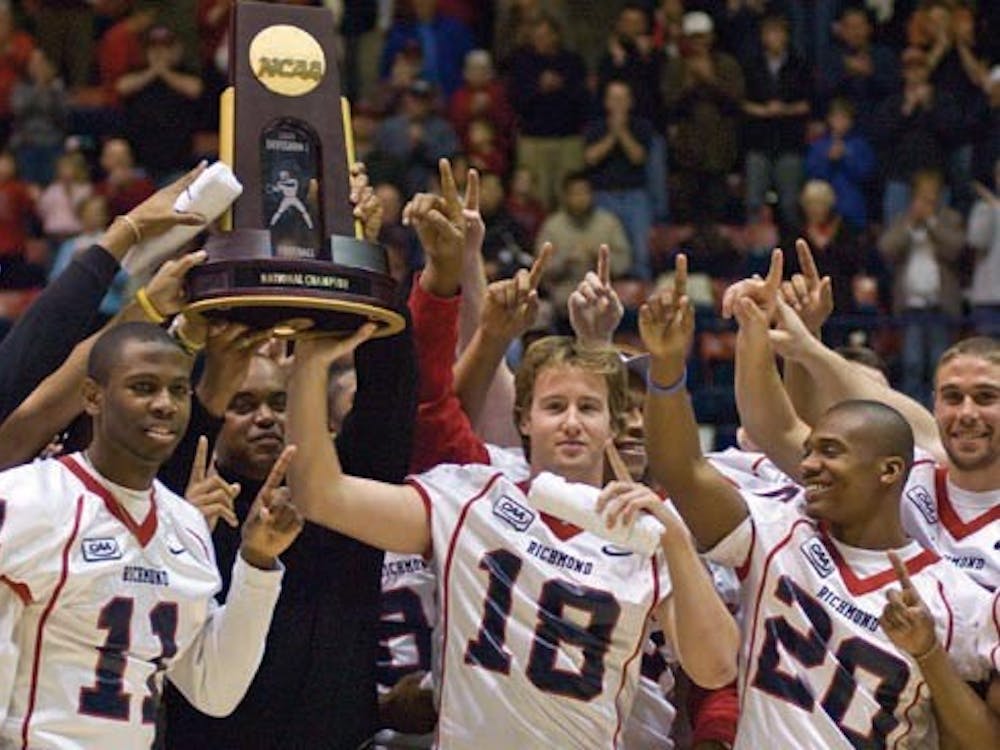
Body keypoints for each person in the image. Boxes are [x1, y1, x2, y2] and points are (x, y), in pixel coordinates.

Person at [284, 159, 739, 747]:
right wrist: (309, 365)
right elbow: (320, 493)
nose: (572, 423)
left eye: (589, 408)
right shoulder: (470, 494)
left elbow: (716, 669)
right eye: (555, 407)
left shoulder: (646, 531)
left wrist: (675, 538)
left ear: (613, 423)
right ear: (524, 419)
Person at [634, 256, 998, 747]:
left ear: (889, 471)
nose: (806, 465)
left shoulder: (959, 601)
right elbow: (698, 463)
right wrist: (673, 367)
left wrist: (930, 652)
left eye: (829, 452)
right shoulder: (778, 527)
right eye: (952, 397)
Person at [0, 322, 303, 748]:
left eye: (179, 390)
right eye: (143, 387)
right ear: (92, 397)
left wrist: (257, 563)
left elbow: (214, 688)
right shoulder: (26, 500)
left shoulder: (187, 525)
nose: (165, 404)